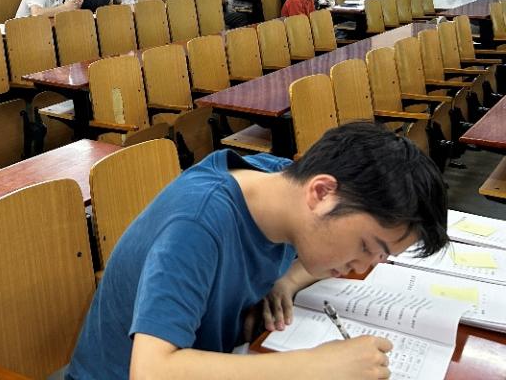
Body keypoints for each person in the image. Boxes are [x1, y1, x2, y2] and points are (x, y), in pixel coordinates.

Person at [67, 123, 448, 380]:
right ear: (321, 193)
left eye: (379, 259)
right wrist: (313, 367)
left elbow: (313, 256)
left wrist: (288, 279)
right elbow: (151, 371)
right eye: (365, 247)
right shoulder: (197, 224)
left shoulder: (279, 184)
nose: (359, 267)